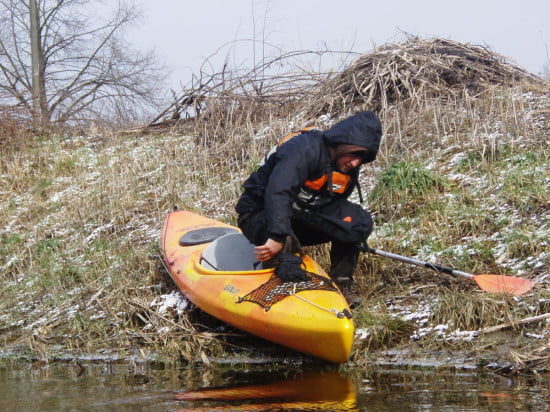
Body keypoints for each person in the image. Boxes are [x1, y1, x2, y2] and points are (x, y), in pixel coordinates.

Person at [235, 111, 382, 295]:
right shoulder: (303, 148)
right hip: (259, 213)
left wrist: (351, 235)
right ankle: (283, 278)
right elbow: (278, 191)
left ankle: (341, 283)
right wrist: (277, 236)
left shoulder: (347, 165)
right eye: (354, 155)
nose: (355, 163)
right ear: (342, 144)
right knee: (285, 245)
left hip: (301, 215)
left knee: (356, 224)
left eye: (362, 158)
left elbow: (337, 206)